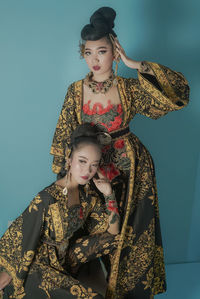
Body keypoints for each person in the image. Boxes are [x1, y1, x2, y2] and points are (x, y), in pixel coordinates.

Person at [50, 7, 190, 299]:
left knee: (132, 232)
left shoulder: (128, 88)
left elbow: (178, 94)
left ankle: (130, 293)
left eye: (102, 51)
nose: (95, 60)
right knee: (92, 231)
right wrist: (68, 182)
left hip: (131, 167)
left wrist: (134, 63)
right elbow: (64, 136)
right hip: (90, 169)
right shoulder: (75, 91)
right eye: (88, 53)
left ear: (114, 51)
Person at [0, 123, 120, 299]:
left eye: (94, 165)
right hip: (38, 264)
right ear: (69, 159)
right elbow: (21, 235)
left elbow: (112, 232)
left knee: (116, 239)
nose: (87, 171)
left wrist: (109, 194)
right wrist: (7, 275)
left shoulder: (87, 198)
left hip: (64, 259)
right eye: (82, 161)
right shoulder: (48, 198)